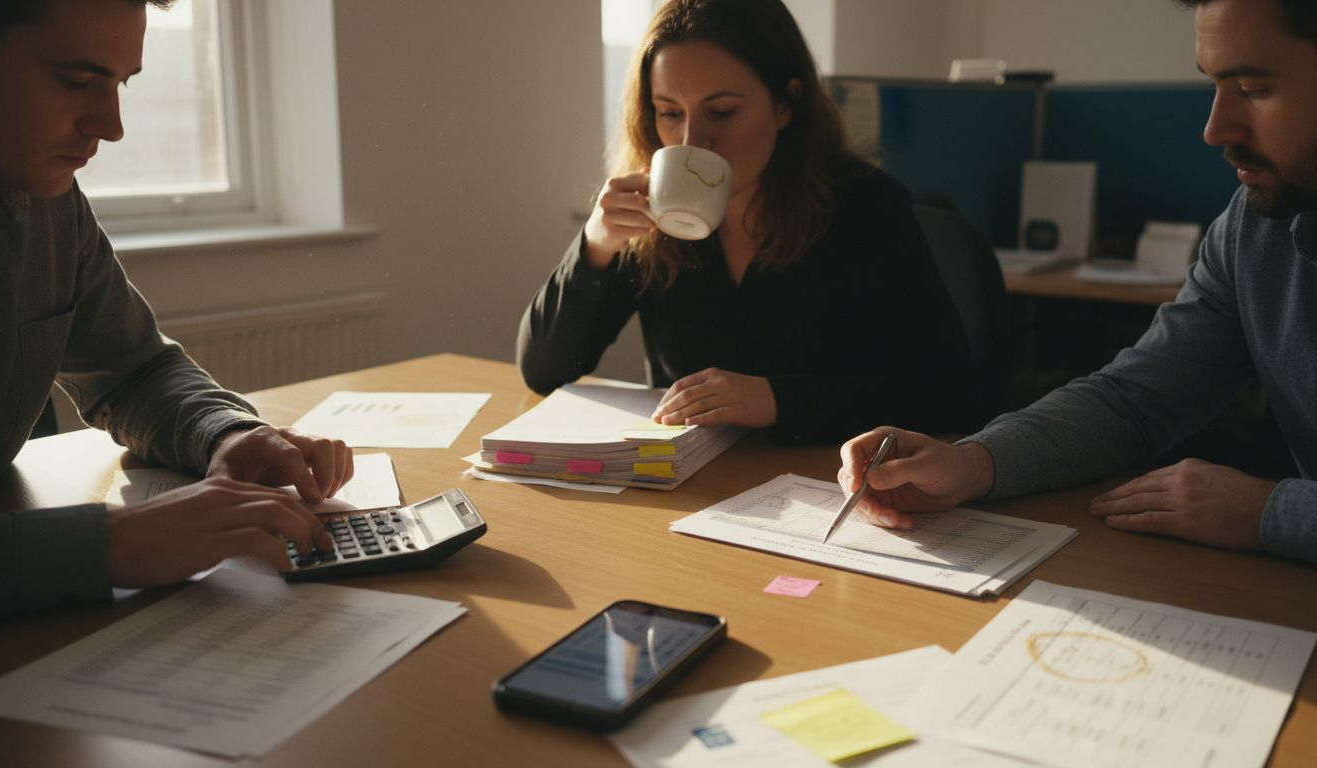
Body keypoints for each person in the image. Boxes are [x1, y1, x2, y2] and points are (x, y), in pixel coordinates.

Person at [837, 0, 1317, 564]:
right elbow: (1132, 401)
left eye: (1254, 89)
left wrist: (1269, 512)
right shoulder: (1255, 228)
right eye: (1213, 85)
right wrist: (971, 464)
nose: (1214, 130)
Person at [0, 0, 353, 623]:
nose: (112, 125)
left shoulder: (46, 203)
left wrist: (226, 433)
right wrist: (110, 543)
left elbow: (133, 372)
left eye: (120, 84)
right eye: (75, 81)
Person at [516, 0, 982, 445]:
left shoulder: (863, 208)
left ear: (786, 105)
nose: (693, 140)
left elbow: (951, 394)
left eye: (723, 112)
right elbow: (543, 371)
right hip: (689, 488)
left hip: (829, 490)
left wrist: (777, 399)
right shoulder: (651, 214)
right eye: (670, 112)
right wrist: (596, 244)